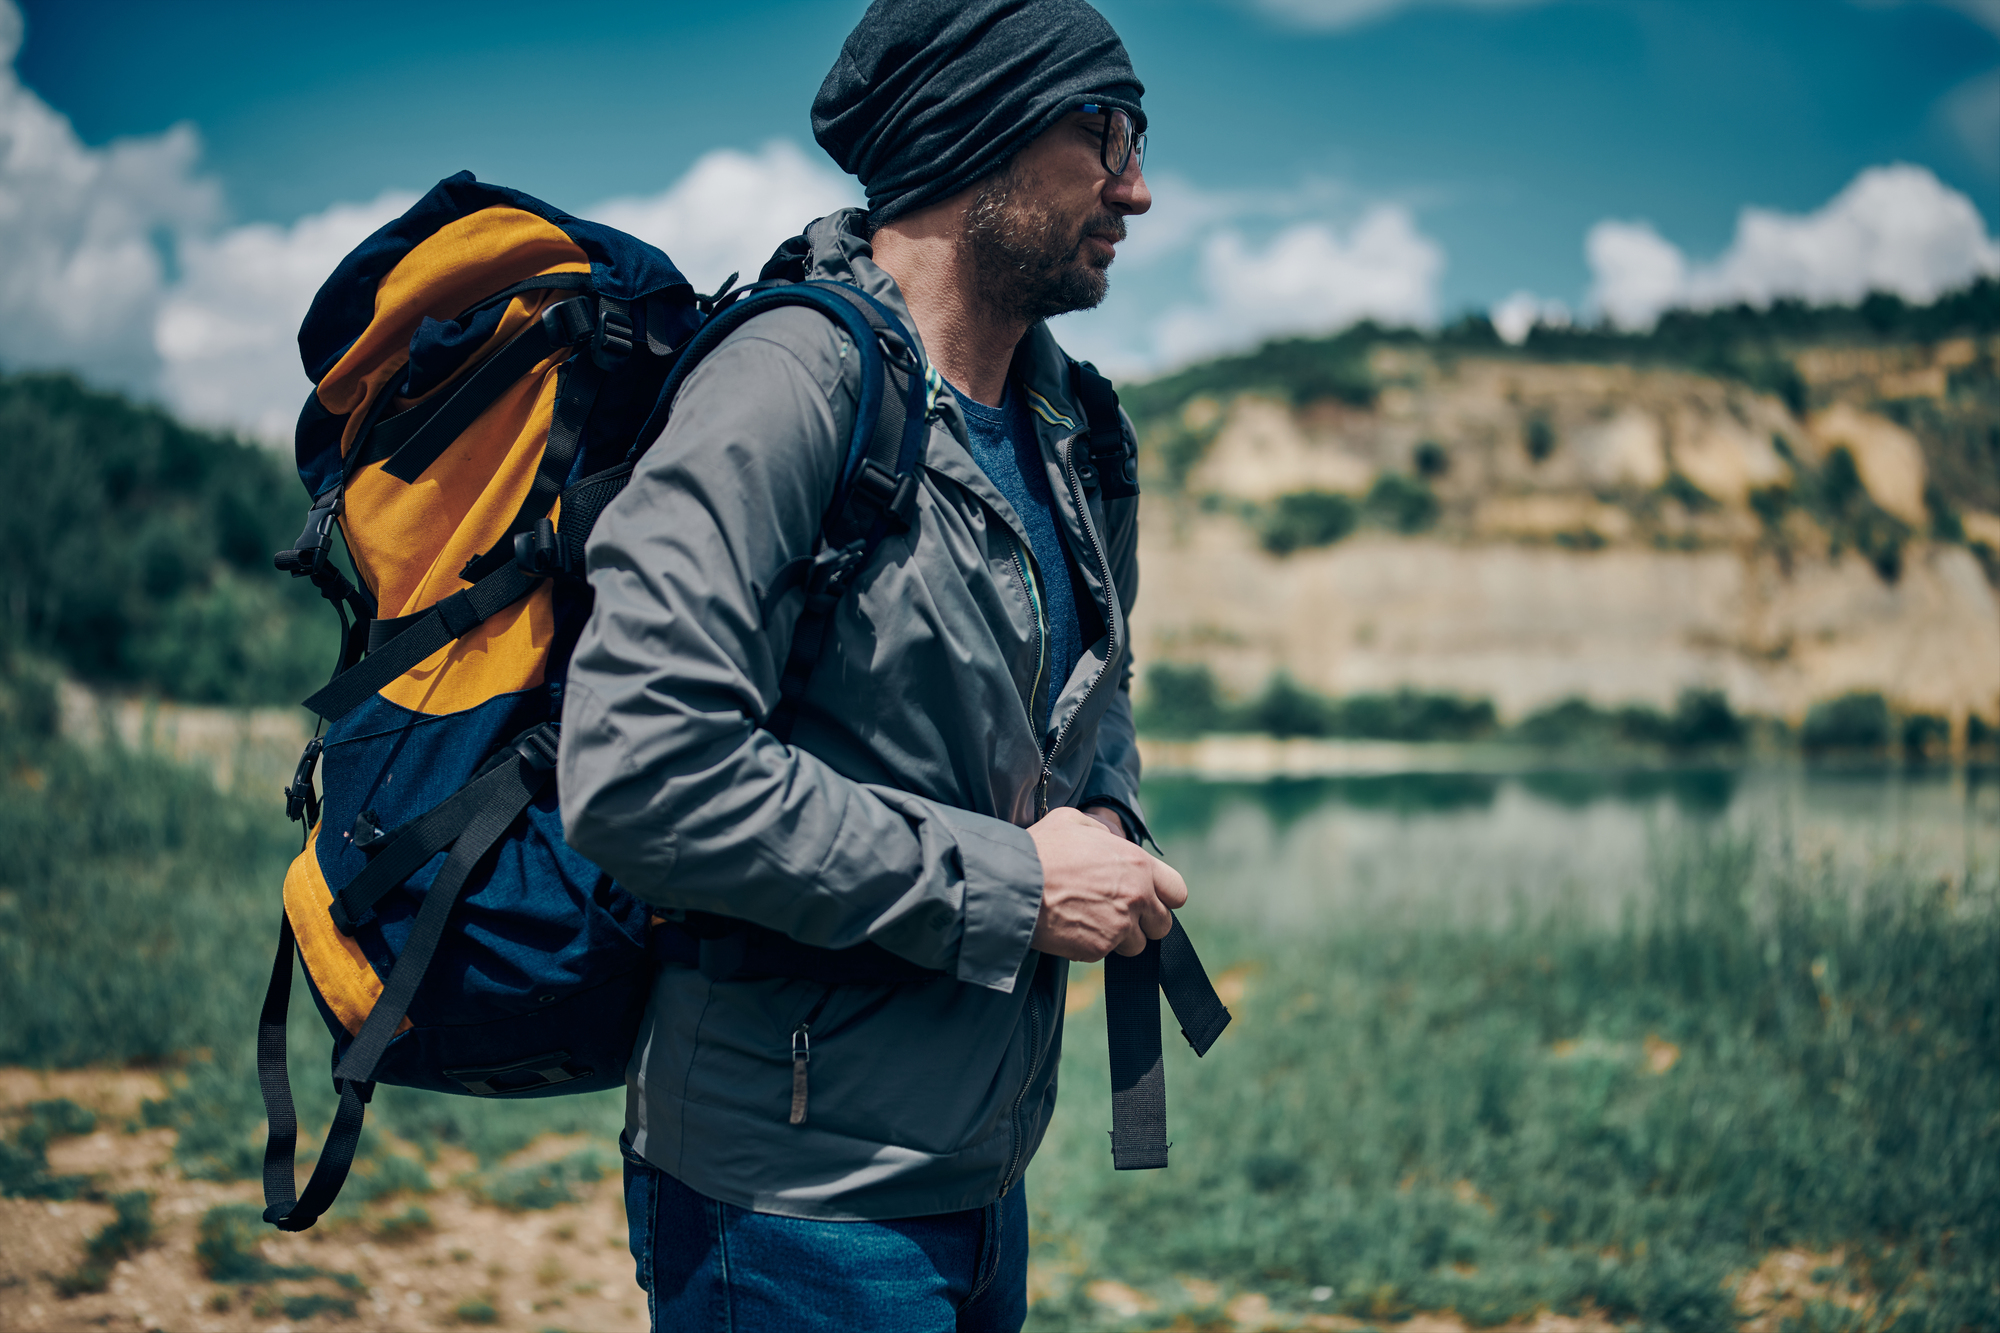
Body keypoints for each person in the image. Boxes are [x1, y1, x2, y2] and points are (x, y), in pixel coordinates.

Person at [558, 1, 1184, 1327]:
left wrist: (1108, 815)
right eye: (1105, 130)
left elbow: (1096, 693)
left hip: (983, 1174)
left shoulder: (1075, 425)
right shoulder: (787, 383)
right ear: (981, 132)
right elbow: (641, 772)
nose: (1135, 186)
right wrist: (1019, 882)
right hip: (788, 1205)